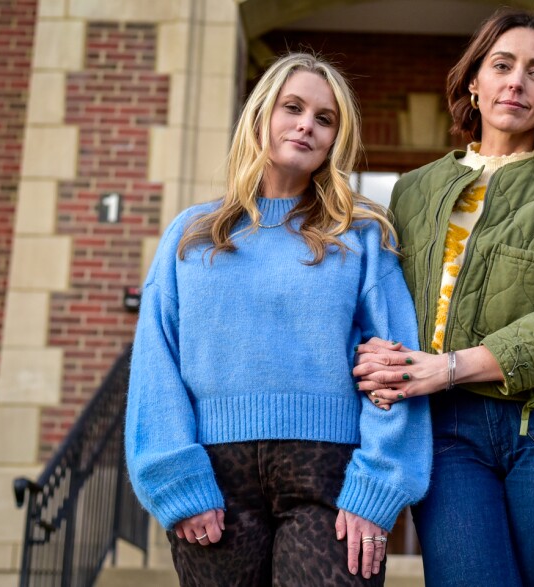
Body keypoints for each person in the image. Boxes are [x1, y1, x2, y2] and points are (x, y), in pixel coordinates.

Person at [125, 52, 431, 586]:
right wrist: (175, 479)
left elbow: (398, 368)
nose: (306, 125)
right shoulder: (190, 234)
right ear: (262, 114)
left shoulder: (361, 237)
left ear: (336, 138)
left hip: (330, 476)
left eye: (325, 118)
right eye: (293, 107)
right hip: (213, 478)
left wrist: (377, 487)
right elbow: (156, 361)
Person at [353, 9, 534, 587]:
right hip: (447, 433)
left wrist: (452, 367)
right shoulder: (413, 189)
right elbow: (381, 298)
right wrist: (382, 361)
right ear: (473, 82)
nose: (516, 83)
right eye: (501, 66)